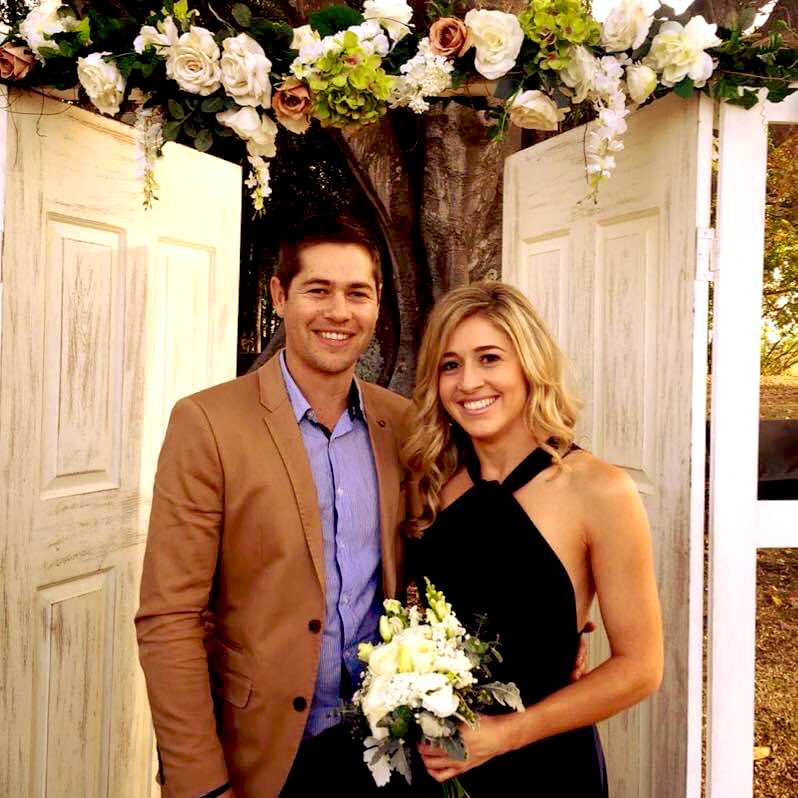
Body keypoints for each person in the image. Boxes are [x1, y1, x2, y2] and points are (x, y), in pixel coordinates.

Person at [135, 214, 412, 798]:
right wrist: (200, 783)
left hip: (387, 748)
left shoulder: (402, 423)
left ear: (378, 304)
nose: (339, 312)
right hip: (262, 754)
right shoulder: (207, 423)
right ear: (280, 295)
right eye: (318, 290)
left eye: (357, 293)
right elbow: (170, 618)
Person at [402, 281, 663, 796]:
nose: (469, 382)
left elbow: (641, 668)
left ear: (529, 364)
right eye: (450, 365)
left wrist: (503, 736)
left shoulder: (599, 489)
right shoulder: (430, 482)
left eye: (489, 358)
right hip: (438, 770)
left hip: (546, 767)